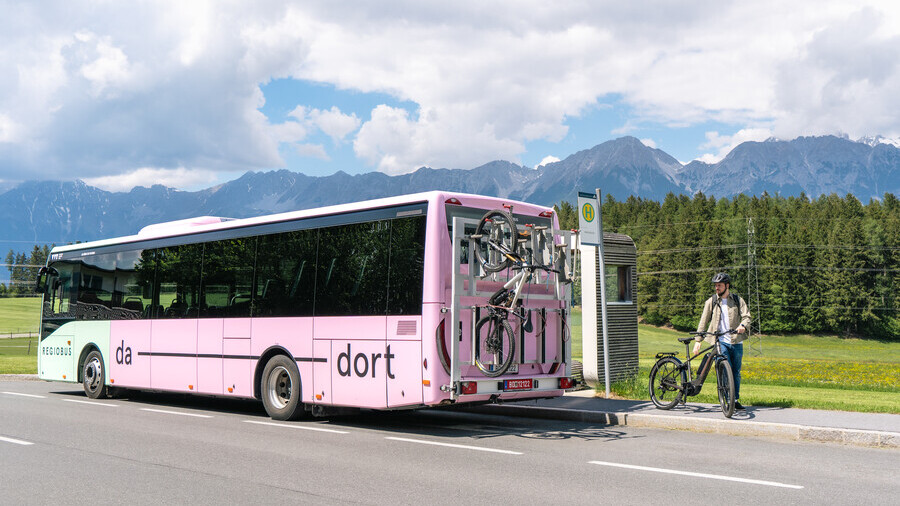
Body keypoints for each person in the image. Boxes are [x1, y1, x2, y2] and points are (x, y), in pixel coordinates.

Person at [694, 272, 752, 410]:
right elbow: (704, 321)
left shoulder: (738, 300)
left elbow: (747, 317)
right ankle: (727, 399)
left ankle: (735, 399)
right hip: (720, 342)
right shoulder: (711, 301)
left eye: (719, 285)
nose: (716, 288)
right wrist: (698, 340)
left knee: (736, 372)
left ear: (727, 286)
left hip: (737, 342)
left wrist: (743, 326)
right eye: (715, 286)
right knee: (726, 371)